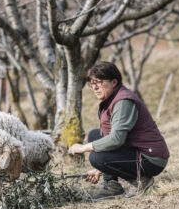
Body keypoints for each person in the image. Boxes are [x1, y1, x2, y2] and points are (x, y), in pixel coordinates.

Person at [69, 61, 169, 200]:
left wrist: (84, 148)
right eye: (92, 83)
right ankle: (112, 186)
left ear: (114, 82)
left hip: (151, 159)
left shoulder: (123, 101)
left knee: (96, 156)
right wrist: (100, 169)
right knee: (95, 135)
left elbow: (116, 139)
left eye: (99, 82)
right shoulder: (112, 98)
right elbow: (111, 137)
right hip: (136, 152)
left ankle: (142, 181)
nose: (95, 87)